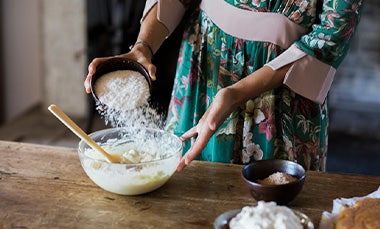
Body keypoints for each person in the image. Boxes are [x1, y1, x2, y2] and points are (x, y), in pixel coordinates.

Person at [84, 0, 365, 172]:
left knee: (273, 217)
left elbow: (331, 35)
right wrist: (143, 46)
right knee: (187, 197)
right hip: (202, 69)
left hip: (280, 90)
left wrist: (236, 93)